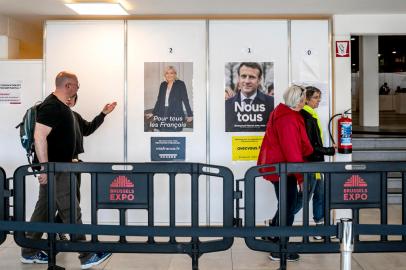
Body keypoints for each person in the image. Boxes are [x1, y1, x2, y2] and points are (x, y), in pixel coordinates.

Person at [21, 71, 112, 269]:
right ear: (68, 86)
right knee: (71, 209)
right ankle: (86, 256)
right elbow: (39, 137)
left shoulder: (63, 109)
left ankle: (28, 251)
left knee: (44, 210)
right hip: (56, 168)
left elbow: (84, 129)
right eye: (77, 85)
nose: (78, 88)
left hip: (60, 167)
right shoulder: (52, 106)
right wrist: (45, 168)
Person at [257, 85, 313, 262]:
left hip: (280, 168)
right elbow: (292, 151)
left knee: (287, 204)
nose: (306, 100)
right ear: (300, 100)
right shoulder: (288, 119)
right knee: (288, 207)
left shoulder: (282, 113)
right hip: (284, 169)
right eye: (305, 97)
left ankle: (272, 234)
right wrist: (301, 177)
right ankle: (280, 249)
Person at [54, 94, 117, 238]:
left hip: (75, 163)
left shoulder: (74, 115)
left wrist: (103, 114)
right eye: (67, 96)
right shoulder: (54, 115)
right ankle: (58, 232)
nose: (69, 99)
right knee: (62, 201)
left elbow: (88, 129)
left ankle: (58, 228)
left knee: (74, 198)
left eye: (72, 97)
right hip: (60, 164)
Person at [298, 86, 336, 239]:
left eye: (319, 97)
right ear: (306, 99)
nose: (318, 100)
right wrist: (329, 150)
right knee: (303, 197)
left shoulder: (311, 115)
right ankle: (278, 222)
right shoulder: (306, 116)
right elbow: (310, 147)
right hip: (310, 164)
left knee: (320, 193)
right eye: (315, 97)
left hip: (316, 163)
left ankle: (320, 227)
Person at [225, 62, 274, 132]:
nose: (247, 81)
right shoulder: (227, 105)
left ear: (259, 80)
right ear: (238, 78)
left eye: (252, 77)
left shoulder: (271, 104)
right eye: (243, 76)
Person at [145, 66, 193, 131]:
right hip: (162, 113)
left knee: (174, 132)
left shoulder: (180, 84)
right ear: (165, 75)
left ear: (175, 74)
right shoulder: (163, 84)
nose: (169, 75)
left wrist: (190, 114)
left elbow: (185, 100)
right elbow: (159, 101)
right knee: (163, 131)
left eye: (171, 73)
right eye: (167, 73)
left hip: (175, 113)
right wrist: (153, 113)